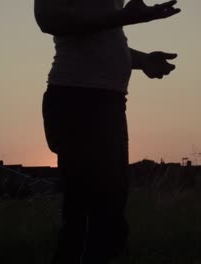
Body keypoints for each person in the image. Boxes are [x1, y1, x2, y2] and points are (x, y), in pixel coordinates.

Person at [34, 0, 181, 263]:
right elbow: (47, 18)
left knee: (111, 207)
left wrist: (143, 60)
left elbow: (102, 37)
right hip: (79, 100)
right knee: (89, 210)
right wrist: (124, 18)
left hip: (109, 102)